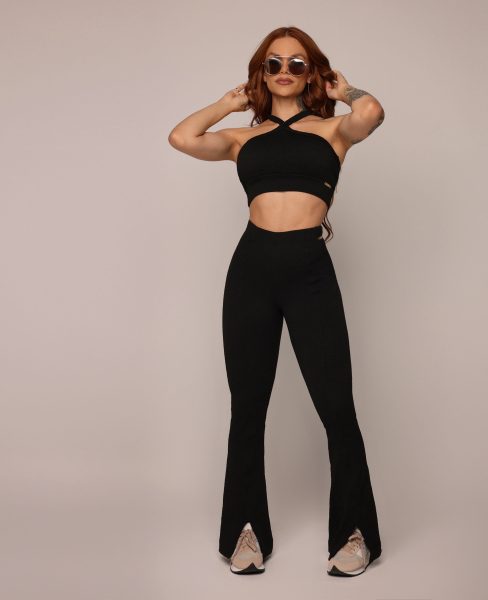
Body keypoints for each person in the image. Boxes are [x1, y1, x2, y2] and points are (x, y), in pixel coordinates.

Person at [168, 26, 385, 577]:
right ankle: (246, 531)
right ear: (261, 73)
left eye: (296, 63)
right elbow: (182, 138)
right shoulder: (245, 139)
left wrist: (344, 91)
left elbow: (372, 113)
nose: (284, 70)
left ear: (312, 72)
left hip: (309, 270)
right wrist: (228, 103)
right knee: (248, 406)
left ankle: (355, 533)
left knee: (336, 405)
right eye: (273, 63)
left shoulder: (332, 129)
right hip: (252, 271)